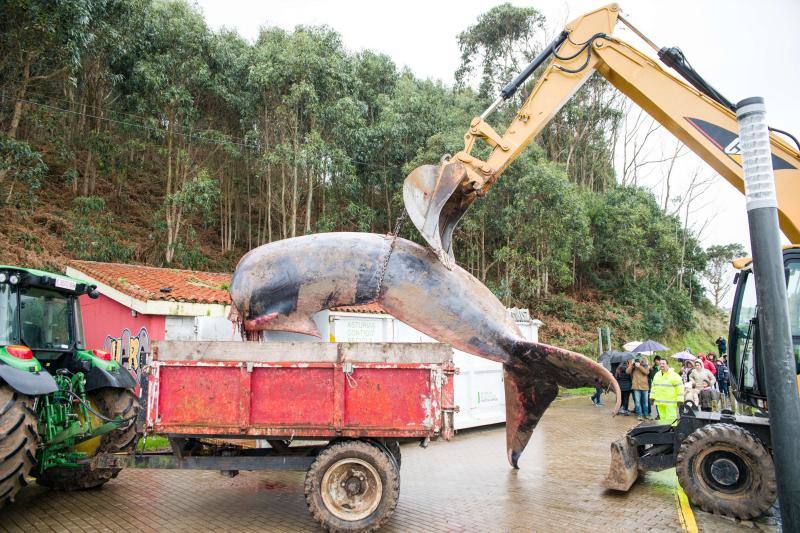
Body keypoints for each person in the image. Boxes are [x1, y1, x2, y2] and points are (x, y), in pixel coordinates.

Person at [651, 359, 683, 423]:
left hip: (670, 402)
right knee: (662, 418)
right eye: (660, 364)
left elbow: (680, 388)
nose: (661, 365)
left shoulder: (674, 375)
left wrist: (680, 399)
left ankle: (672, 431)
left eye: (663, 363)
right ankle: (664, 431)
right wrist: (652, 397)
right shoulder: (657, 374)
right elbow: (653, 387)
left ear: (667, 365)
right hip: (659, 401)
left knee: (671, 418)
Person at [627, 356, 650, 420]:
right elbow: (627, 372)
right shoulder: (633, 367)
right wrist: (632, 365)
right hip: (636, 387)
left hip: (644, 387)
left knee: (645, 402)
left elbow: (646, 372)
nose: (638, 361)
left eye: (639, 360)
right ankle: (639, 415)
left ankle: (646, 415)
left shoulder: (645, 366)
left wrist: (639, 366)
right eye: (637, 360)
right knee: (637, 402)